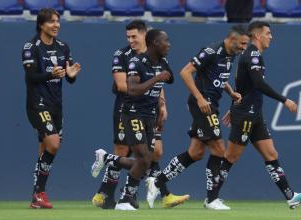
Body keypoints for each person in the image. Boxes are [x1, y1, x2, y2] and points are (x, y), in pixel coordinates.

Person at [145, 25, 250, 210]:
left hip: (212, 104)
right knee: (219, 148)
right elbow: (185, 72)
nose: (244, 48)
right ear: (232, 39)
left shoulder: (231, 54)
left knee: (196, 153)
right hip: (202, 104)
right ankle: (211, 199)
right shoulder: (210, 51)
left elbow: (219, 76)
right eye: (242, 44)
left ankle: (158, 181)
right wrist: (200, 98)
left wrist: (231, 92)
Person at [92, 20, 188, 210]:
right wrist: (155, 79)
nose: (130, 40)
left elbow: (165, 81)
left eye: (134, 36)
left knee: (152, 154)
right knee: (128, 152)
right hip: (129, 109)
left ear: (146, 36)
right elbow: (125, 87)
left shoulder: (160, 59)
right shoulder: (125, 56)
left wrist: (162, 104)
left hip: (150, 111)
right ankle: (108, 195)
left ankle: (128, 189)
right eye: (128, 37)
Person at [217, 21, 301, 210]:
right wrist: (285, 100)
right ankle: (212, 197)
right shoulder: (253, 55)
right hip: (247, 114)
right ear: (257, 36)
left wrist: (233, 106)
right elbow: (258, 84)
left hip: (253, 113)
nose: (271, 36)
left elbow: (242, 86)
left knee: (271, 154)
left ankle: (290, 196)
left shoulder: (251, 55)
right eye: (268, 33)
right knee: (231, 156)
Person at [21, 8, 81, 209]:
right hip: (37, 105)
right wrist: (50, 75)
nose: (56, 25)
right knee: (54, 144)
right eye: (51, 22)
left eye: (57, 21)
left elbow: (68, 78)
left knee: (45, 150)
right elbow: (30, 77)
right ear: (41, 25)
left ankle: (36, 198)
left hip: (56, 106)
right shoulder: (31, 47)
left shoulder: (64, 47)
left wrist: (71, 74)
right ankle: (40, 192)